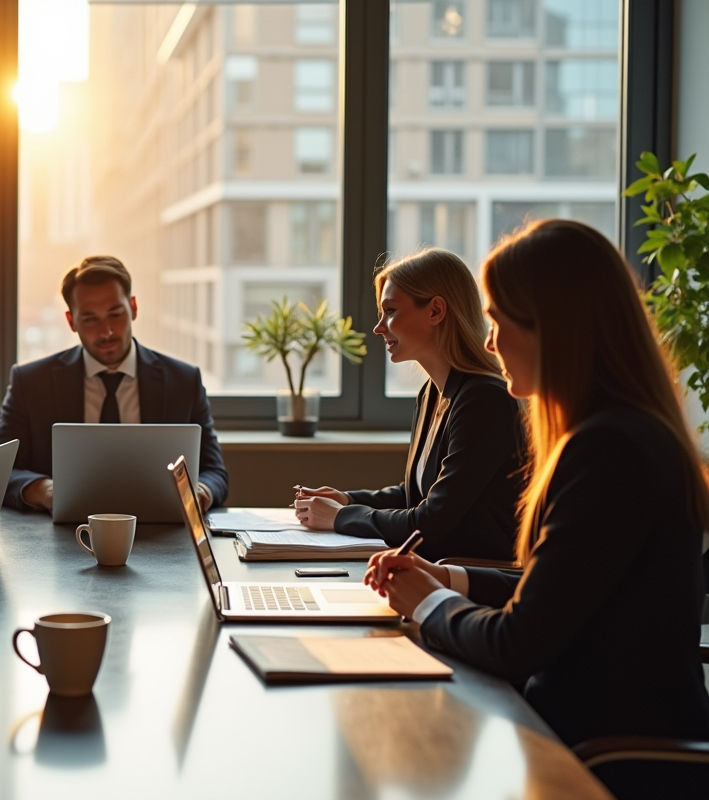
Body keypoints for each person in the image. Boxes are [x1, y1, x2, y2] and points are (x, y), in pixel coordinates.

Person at [366, 220, 709, 800]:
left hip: (599, 760)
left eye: (499, 320)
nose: (490, 341)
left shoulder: (609, 450)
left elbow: (519, 641)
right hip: (559, 730)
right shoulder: (616, 434)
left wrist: (428, 604)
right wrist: (448, 578)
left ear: (555, 328)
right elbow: (556, 587)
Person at [295, 248, 523, 562]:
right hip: (432, 567)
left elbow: (429, 521)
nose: (378, 327)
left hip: (467, 576)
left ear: (435, 311)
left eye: (390, 311)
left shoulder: (486, 400)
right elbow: (414, 495)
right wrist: (346, 500)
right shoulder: (432, 393)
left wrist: (339, 517)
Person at [0, 255, 228, 512]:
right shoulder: (31, 383)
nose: (106, 332)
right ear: (71, 321)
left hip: (164, 534)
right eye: (91, 319)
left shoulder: (183, 381)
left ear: (133, 307)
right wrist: (46, 490)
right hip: (61, 538)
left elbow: (214, 472)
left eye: (115, 314)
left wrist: (201, 492)